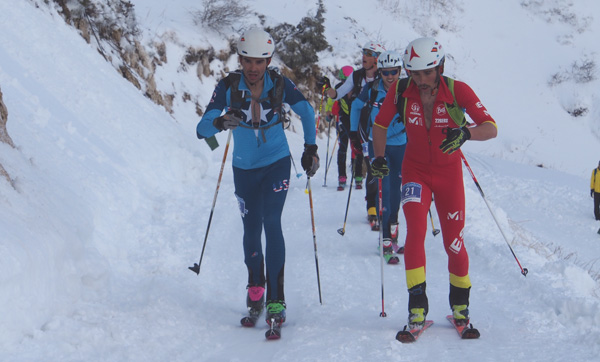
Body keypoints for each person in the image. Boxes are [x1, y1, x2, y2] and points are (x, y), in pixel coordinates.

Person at [196, 28, 319, 330]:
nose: (253, 68)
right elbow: (201, 129)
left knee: (271, 221)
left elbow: (307, 112)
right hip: (244, 169)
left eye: (259, 62)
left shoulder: (279, 84)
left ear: (268, 62)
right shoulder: (227, 86)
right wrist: (220, 121)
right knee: (251, 230)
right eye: (248, 61)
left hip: (276, 163)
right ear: (239, 60)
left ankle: (277, 297)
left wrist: (311, 148)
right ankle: (256, 290)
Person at [371, 37, 497, 329]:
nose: (422, 79)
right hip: (414, 172)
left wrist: (466, 133)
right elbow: (380, 124)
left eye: (428, 72)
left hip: (448, 175)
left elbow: (490, 128)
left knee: (454, 243)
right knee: (415, 233)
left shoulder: (457, 90)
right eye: (415, 73)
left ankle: (461, 308)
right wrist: (379, 158)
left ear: (440, 67)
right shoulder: (401, 91)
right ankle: (417, 309)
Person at [349, 50, 407, 262]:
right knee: (383, 189)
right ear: (380, 72)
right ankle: (385, 243)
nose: (390, 76)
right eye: (385, 72)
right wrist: (354, 133)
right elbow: (355, 106)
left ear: (400, 71)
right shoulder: (372, 89)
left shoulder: (406, 89)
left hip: (401, 144)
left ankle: (393, 236)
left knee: (396, 191)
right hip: (378, 144)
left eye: (394, 72)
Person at [318, 41, 386, 192]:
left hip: (380, 122)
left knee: (381, 161)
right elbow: (337, 95)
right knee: (369, 160)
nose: (364, 56)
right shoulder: (356, 76)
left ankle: (383, 198)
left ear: (377, 58)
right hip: (358, 121)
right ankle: (373, 204)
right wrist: (328, 88)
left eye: (369, 54)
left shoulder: (385, 75)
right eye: (364, 52)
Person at [323, 66, 363, 191]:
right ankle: (342, 177)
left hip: (356, 120)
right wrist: (329, 112)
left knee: (358, 147)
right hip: (343, 119)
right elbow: (331, 101)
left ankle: (358, 176)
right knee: (343, 147)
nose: (346, 83)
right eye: (343, 80)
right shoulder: (339, 89)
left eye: (348, 80)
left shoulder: (359, 89)